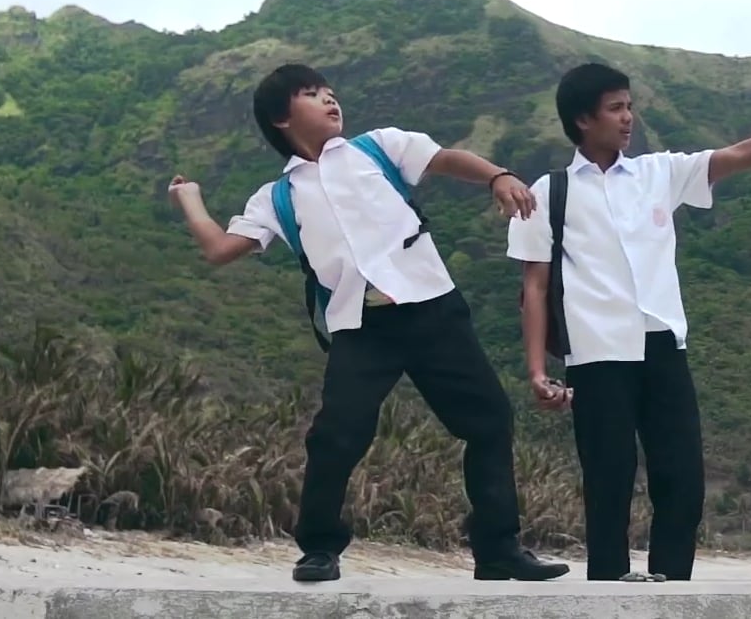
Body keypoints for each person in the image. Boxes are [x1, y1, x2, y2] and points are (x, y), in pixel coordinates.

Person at [167, 63, 570, 584]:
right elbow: (220, 248)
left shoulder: (379, 147)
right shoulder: (276, 197)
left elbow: (446, 158)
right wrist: (191, 201)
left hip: (432, 309)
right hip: (361, 327)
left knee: (489, 421)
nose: (329, 99)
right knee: (335, 435)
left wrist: (499, 176)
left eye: (329, 91)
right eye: (311, 93)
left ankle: (498, 550)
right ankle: (319, 549)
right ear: (281, 118)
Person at [506, 62, 751, 581]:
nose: (628, 117)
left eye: (629, 106)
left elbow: (743, 154)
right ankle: (609, 589)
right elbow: (535, 286)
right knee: (608, 479)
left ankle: (671, 588)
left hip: (663, 344)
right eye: (615, 108)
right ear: (582, 119)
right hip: (596, 352)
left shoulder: (658, 174)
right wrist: (536, 371)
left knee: (682, 479)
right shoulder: (550, 192)